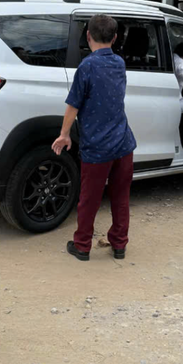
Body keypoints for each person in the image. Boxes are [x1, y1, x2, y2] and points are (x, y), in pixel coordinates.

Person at [52, 14, 137, 261]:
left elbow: (73, 105)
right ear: (115, 38)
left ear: (87, 36)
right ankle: (119, 245)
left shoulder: (87, 66)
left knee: (89, 199)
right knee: (121, 197)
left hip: (97, 147)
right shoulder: (119, 63)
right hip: (123, 143)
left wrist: (64, 134)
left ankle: (82, 246)